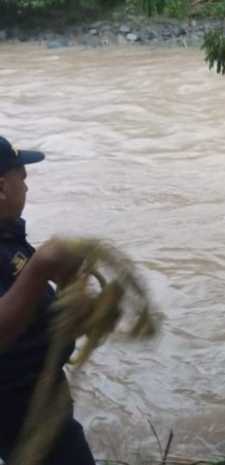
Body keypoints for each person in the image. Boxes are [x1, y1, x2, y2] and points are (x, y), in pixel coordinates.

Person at [0, 135, 96, 465]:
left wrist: (71, 285)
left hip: (44, 412)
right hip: (23, 421)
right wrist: (40, 268)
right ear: (2, 188)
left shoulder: (10, 240)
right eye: (22, 179)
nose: (26, 188)